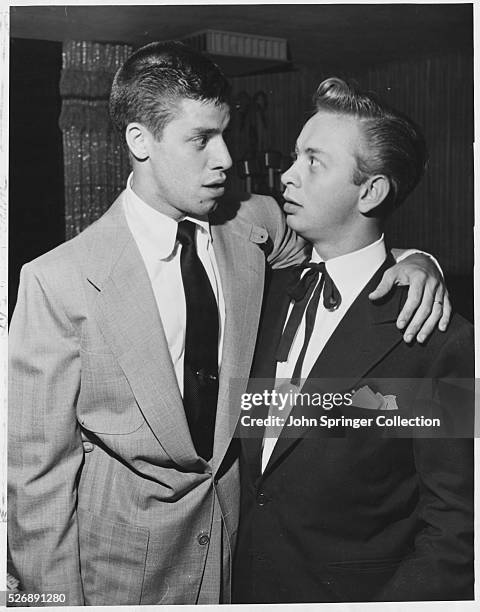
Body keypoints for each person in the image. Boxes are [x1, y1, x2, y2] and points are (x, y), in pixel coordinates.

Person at [8, 43, 449, 606]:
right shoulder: (58, 281)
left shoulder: (254, 224)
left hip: (239, 565)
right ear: (139, 141)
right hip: (117, 576)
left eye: (224, 134)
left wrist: (417, 262)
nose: (224, 158)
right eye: (199, 140)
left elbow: (342, 252)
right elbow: (35, 482)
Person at [232, 77, 474, 603]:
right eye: (295, 156)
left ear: (371, 191)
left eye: (313, 162)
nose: (288, 176)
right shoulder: (264, 293)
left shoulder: (439, 342)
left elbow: (456, 535)